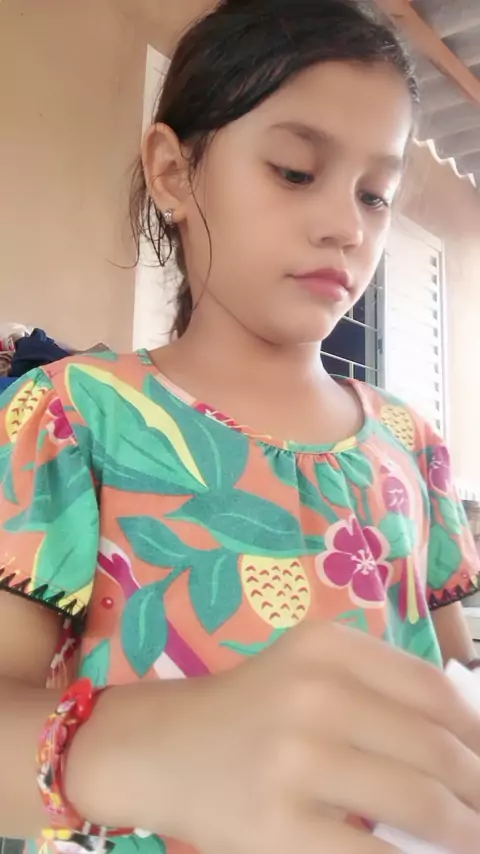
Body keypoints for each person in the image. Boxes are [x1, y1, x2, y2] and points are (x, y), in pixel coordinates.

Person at [1, 1, 480, 853]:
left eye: (376, 195)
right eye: (295, 171)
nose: (348, 226)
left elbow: (451, 684)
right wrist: (153, 749)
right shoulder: (73, 415)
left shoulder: (412, 445)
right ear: (173, 173)